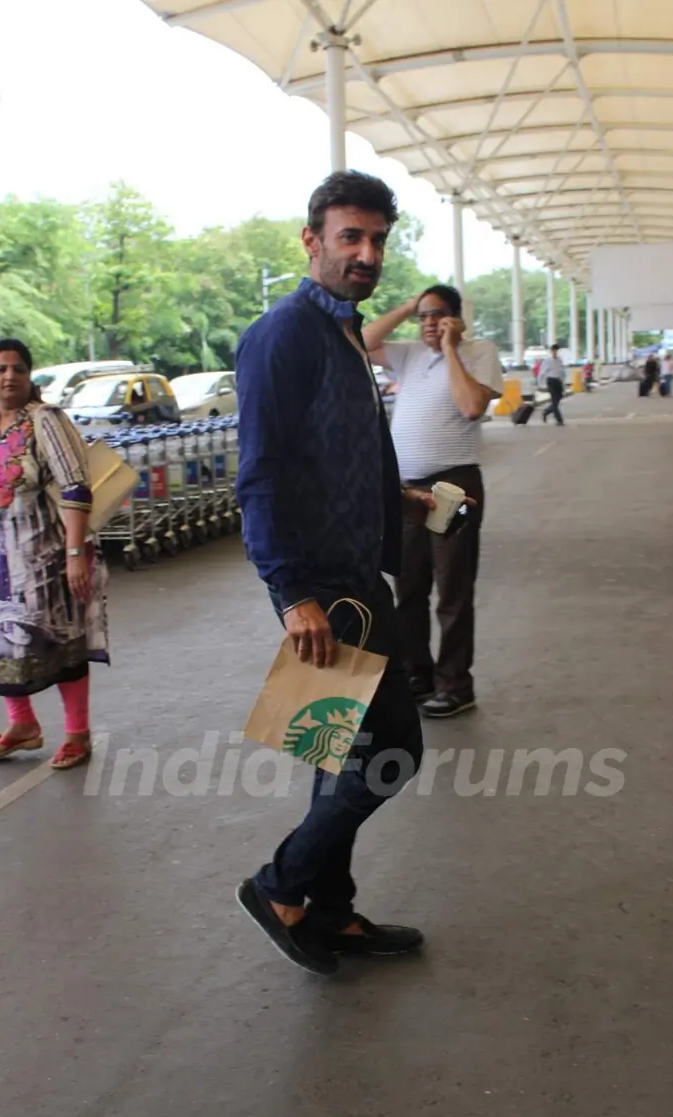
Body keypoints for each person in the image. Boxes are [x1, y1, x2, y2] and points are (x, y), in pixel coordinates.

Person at [234, 171, 427, 977]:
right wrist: (294, 596)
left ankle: (333, 913)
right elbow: (263, 473)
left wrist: (396, 496)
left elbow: (345, 447)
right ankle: (279, 885)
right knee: (395, 751)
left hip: (356, 571)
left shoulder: (345, 332)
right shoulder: (284, 334)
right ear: (311, 240)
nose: (366, 253)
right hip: (329, 592)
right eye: (350, 236)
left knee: (338, 755)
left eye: (377, 239)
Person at [0, 339, 109, 767]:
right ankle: (23, 724)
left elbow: (77, 488)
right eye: (1, 369)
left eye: (19, 369)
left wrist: (75, 553)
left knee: (60, 640)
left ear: (30, 377)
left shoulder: (47, 420)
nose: (10, 376)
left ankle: (78, 733)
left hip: (47, 557)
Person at [363, 285, 502, 718]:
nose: (428, 323)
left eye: (438, 315)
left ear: (458, 318)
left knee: (452, 589)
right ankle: (415, 674)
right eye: (423, 316)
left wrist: (450, 347)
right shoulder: (407, 354)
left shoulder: (479, 352)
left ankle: (456, 684)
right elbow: (361, 341)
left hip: (454, 488)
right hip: (407, 490)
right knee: (408, 588)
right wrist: (408, 307)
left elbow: (470, 407)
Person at [539, 344, 566, 425]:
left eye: (556, 351)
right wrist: (539, 383)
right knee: (554, 400)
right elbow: (542, 372)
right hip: (551, 381)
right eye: (554, 350)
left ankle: (546, 412)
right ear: (551, 351)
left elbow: (561, 371)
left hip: (558, 381)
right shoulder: (547, 361)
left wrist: (563, 381)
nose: (555, 352)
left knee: (559, 398)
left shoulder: (559, 360)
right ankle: (559, 420)